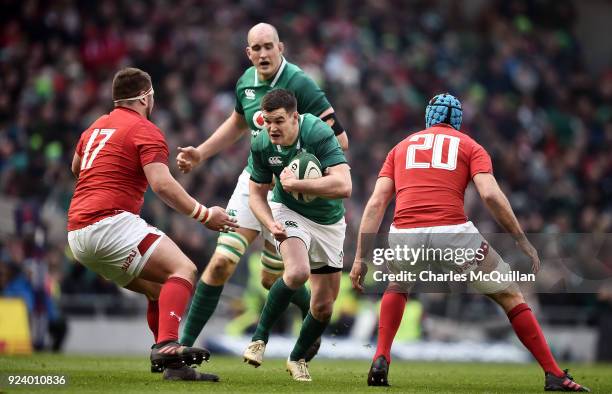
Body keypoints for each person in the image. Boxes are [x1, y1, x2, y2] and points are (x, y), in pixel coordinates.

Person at [349, 93, 590, 392]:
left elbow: (376, 203)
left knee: (398, 286)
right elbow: (490, 195)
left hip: (405, 232)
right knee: (511, 296)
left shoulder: (399, 148)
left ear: (428, 117)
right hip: (453, 232)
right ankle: (554, 374)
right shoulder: (471, 146)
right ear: (458, 121)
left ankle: (381, 355)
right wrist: (520, 239)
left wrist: (360, 257)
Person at [176, 23, 348, 353]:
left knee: (272, 280)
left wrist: (303, 170)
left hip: (290, 190)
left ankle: (311, 312)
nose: (263, 53)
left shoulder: (300, 83)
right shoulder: (245, 82)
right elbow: (239, 123)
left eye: (269, 46)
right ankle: (180, 349)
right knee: (222, 261)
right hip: (256, 179)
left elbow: (340, 140)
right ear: (248, 52)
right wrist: (201, 152)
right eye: (257, 48)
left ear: (281, 47)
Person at [66, 67, 238, 382]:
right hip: (109, 223)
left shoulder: (93, 129)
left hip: (77, 234)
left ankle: (173, 367)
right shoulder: (144, 129)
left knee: (160, 289)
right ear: (146, 97)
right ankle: (169, 346)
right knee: (183, 269)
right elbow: (162, 184)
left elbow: (77, 168)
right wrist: (204, 214)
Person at [242, 89, 351, 381]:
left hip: (329, 222)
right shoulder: (262, 141)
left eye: (279, 120)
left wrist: (300, 183)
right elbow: (255, 193)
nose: (272, 128)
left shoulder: (317, 132)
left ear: (295, 117)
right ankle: (259, 338)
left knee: (324, 306)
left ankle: (297, 358)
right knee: (298, 271)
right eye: (267, 121)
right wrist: (270, 222)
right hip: (287, 212)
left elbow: (344, 185)